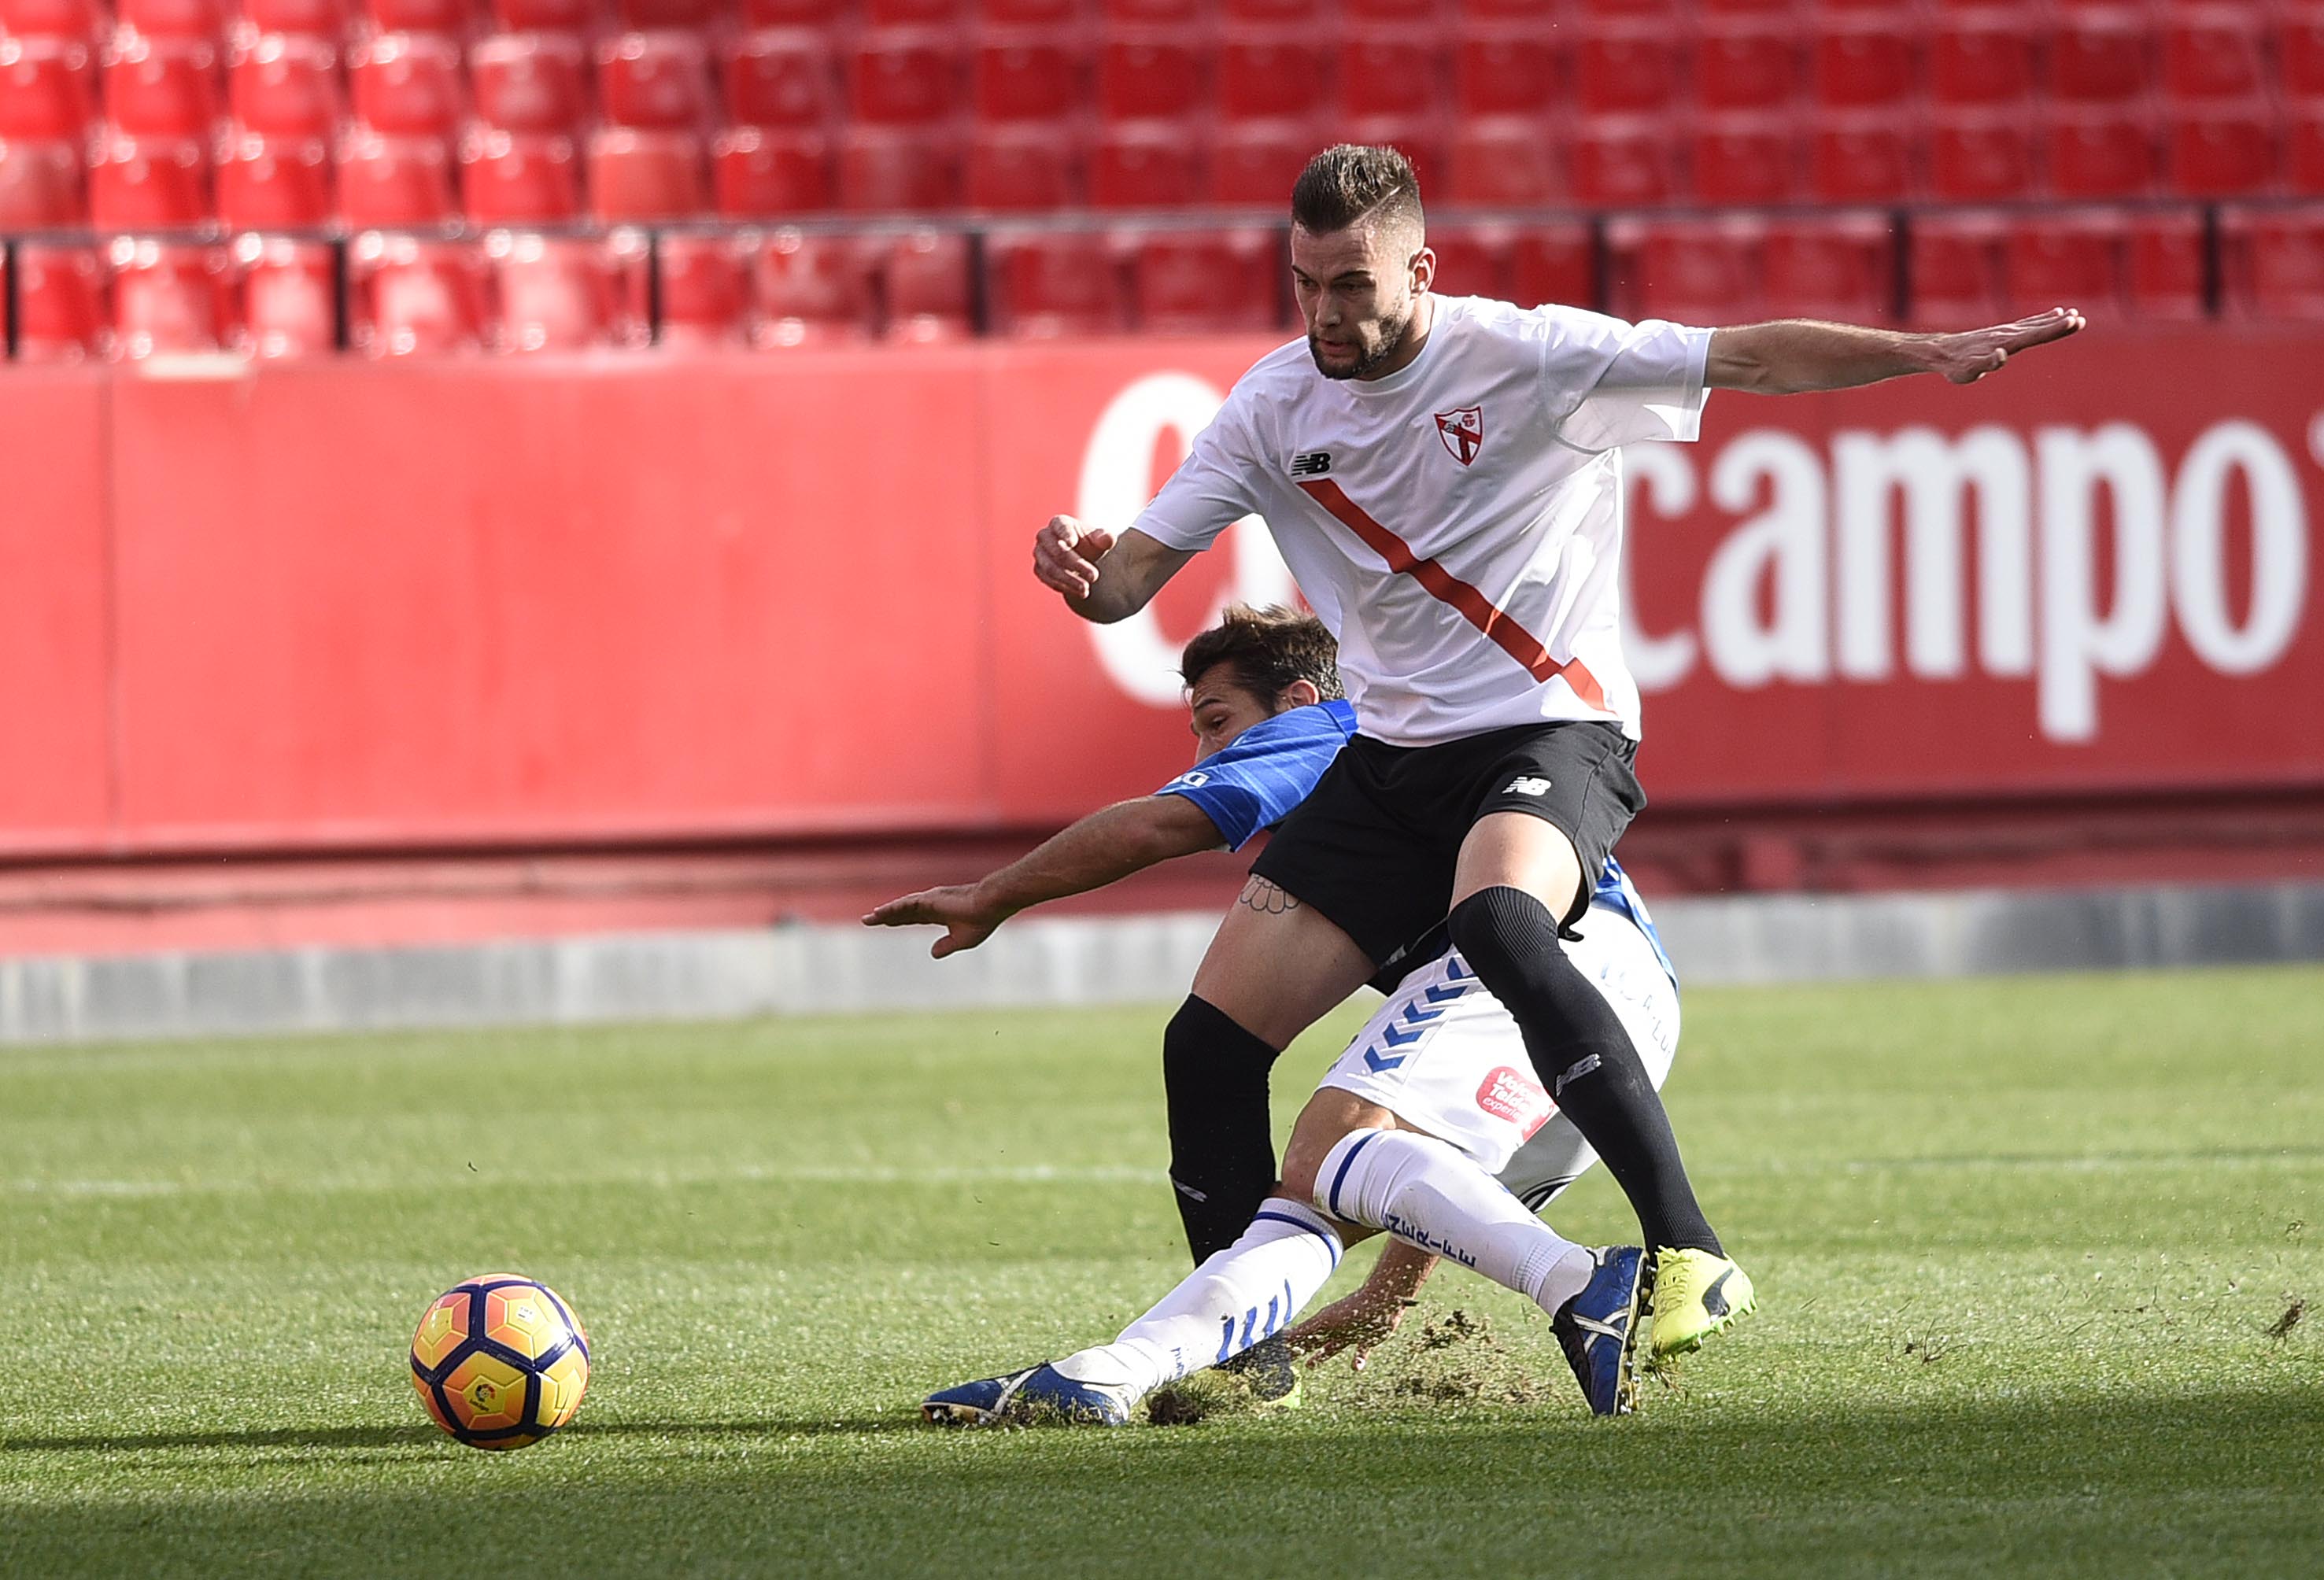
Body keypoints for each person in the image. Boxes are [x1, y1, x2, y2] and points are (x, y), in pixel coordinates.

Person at [1029, 144, 2084, 1356]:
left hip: (1550, 724)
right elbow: (1127, 587)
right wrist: (1084, 579)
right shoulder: (1271, 408)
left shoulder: (1526, 356)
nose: (1325, 313)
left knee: (1496, 920)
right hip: (1391, 757)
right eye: (1305, 283)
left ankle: (1689, 1249)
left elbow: (1745, 355)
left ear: (1419, 271)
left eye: (1353, 287)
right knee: (1207, 1044)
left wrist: (1927, 352)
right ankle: (1220, 1343)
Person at [870, 607, 1683, 1415]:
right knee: (1316, 1201)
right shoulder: (1400, 795)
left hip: (1557, 968)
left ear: (1297, 699)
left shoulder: (1337, 729)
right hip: (1621, 1013)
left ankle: (1575, 1282)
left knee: (1330, 1148)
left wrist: (991, 894)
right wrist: (1389, 1296)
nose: (1207, 752)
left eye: (1217, 721)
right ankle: (1119, 1370)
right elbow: (1431, 1184)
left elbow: (1163, 822)